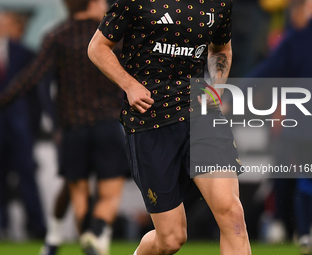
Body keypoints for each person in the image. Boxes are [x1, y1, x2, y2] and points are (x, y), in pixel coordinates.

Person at [88, 1, 252, 255]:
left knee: (232, 216)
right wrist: (129, 85)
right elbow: (97, 48)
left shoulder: (219, 4)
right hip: (149, 120)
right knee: (172, 239)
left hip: (201, 113)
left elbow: (222, 49)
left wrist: (217, 88)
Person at [0, 1, 129, 255]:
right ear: (93, 4)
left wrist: (3, 99)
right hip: (107, 125)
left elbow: (31, 77)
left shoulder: (57, 36)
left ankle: (82, 242)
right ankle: (97, 239)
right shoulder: (114, 37)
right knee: (109, 194)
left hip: (73, 128)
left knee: (77, 194)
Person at [249, 0, 312, 254]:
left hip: (301, 129)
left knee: (305, 180)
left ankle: (305, 236)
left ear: (309, 10)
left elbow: (265, 72)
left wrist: (229, 94)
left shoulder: (295, 41)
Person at [0, 10, 46, 240]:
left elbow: (35, 96)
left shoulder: (26, 54)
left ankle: (36, 227)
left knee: (27, 177)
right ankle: (2, 227)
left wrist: (33, 127)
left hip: (21, 130)